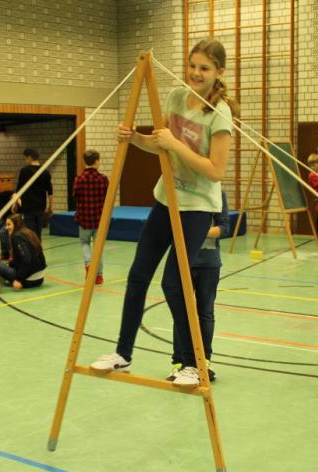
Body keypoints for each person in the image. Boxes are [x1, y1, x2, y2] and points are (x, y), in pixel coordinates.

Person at [89, 39, 239, 388]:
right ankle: (122, 352)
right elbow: (159, 143)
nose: (196, 73)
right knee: (138, 273)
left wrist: (174, 144)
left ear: (218, 72)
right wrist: (134, 137)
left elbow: (216, 170)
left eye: (204, 68)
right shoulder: (173, 98)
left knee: (175, 283)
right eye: (192, 65)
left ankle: (191, 362)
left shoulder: (219, 112)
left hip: (197, 207)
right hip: (166, 198)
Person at [168, 191, 229, 384]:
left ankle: (204, 362)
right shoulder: (180, 193)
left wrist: (198, 232)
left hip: (209, 264)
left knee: (205, 313)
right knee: (181, 313)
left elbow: (224, 227)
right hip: (183, 262)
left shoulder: (217, 194)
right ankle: (180, 363)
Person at [73, 149, 110, 285]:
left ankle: (89, 264)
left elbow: (75, 196)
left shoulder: (79, 179)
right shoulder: (103, 179)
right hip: (99, 218)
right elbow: (108, 198)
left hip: (84, 218)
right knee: (98, 247)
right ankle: (99, 276)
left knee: (84, 243)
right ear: (96, 161)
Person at [0, 214, 46, 289]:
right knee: (9, 264)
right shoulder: (29, 232)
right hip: (40, 278)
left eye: (9, 224)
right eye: (6, 225)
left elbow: (27, 259)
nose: (6, 227)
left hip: (29, 281)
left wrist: (18, 279)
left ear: (16, 224)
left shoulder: (17, 237)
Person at [17, 148, 53, 240]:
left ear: (29, 157)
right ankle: (38, 250)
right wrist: (50, 207)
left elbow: (19, 190)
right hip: (41, 206)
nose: (25, 160)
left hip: (28, 207)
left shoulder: (24, 171)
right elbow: (50, 191)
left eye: (25, 158)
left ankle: (33, 251)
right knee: (38, 232)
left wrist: (15, 203)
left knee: (30, 232)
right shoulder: (45, 172)